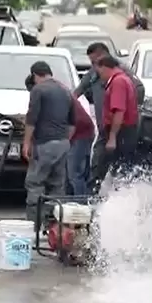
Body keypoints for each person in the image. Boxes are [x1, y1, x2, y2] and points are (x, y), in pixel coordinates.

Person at [22, 61, 76, 223]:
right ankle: (54, 224)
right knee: (57, 185)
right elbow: (72, 123)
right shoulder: (66, 90)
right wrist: (65, 140)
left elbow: (32, 118)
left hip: (44, 143)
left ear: (34, 75)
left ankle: (35, 223)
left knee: (35, 183)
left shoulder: (39, 90)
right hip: (63, 143)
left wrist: (26, 143)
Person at [88, 56, 140, 194]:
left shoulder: (118, 82)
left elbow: (119, 111)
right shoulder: (122, 79)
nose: (99, 76)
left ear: (105, 67)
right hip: (122, 132)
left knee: (110, 169)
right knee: (118, 170)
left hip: (120, 133)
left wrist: (112, 137)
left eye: (99, 72)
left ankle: (103, 198)